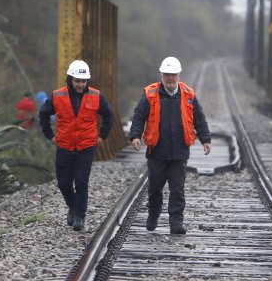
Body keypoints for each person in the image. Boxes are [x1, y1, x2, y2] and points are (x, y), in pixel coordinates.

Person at [128, 56, 211, 235]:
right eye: (167, 75)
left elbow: (199, 118)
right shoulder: (150, 94)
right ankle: (153, 214)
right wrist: (135, 136)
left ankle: (176, 222)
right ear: (161, 75)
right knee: (155, 188)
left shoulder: (189, 95)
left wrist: (206, 139)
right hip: (156, 150)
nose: (170, 78)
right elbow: (139, 116)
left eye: (173, 75)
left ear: (179, 75)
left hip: (180, 151)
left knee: (177, 189)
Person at [39, 60, 114, 231]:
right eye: (77, 81)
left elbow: (109, 115)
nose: (80, 84)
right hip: (64, 146)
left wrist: (102, 135)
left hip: (86, 146)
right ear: (70, 79)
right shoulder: (58, 96)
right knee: (63, 183)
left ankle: (80, 215)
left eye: (83, 81)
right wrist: (50, 136)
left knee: (81, 181)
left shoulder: (96, 96)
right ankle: (72, 206)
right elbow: (43, 114)